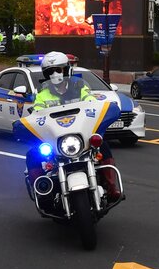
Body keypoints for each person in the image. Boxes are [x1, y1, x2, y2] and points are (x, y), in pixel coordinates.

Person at [23, 51, 121, 201]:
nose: (55, 74)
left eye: (59, 69)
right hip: (57, 138)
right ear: (46, 74)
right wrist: (29, 122)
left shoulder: (80, 87)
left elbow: (92, 104)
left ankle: (112, 187)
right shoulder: (42, 95)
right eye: (50, 71)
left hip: (80, 135)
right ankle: (42, 194)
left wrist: (105, 110)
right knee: (33, 155)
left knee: (102, 145)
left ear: (67, 69)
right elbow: (37, 113)